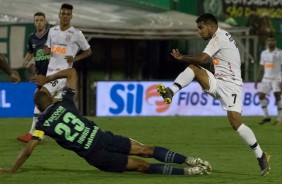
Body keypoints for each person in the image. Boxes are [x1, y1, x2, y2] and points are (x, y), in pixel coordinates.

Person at [0, 68, 211, 175]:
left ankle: (190, 171)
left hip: (96, 154)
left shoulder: (41, 125)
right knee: (145, 149)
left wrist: (12, 170)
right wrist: (47, 79)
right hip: (102, 138)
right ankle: (189, 160)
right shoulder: (64, 102)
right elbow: (72, 71)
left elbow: (28, 150)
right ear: (50, 97)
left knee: (142, 166)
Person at [157, 13, 270, 176]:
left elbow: (203, 58)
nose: (199, 31)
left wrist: (181, 57)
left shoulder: (219, 37)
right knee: (194, 69)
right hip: (218, 81)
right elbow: (211, 61)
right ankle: (171, 91)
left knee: (236, 123)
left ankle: (261, 155)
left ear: (211, 27)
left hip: (232, 86)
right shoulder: (220, 36)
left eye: (201, 28)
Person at [17, 3, 92, 143]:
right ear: (59, 14)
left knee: (41, 95)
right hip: (50, 73)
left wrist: (75, 58)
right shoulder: (53, 31)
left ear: (71, 16)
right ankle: (58, 131)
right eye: (63, 13)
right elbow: (49, 47)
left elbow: (88, 51)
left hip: (63, 74)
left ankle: (33, 133)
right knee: (54, 104)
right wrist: (46, 49)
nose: (65, 16)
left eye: (68, 14)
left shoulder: (76, 33)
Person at [17, 12, 51, 142]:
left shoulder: (51, 35)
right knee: (48, 103)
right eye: (36, 20)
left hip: (52, 74)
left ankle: (33, 133)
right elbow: (31, 52)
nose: (39, 23)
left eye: (41, 20)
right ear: (34, 22)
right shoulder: (31, 38)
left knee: (39, 99)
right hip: (40, 75)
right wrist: (26, 61)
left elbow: (59, 50)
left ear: (45, 22)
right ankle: (44, 132)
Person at [254, 35, 282, 125]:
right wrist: (256, 79)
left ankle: (280, 118)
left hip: (276, 78)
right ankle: (266, 116)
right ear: (267, 42)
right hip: (266, 78)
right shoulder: (264, 53)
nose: (271, 42)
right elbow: (262, 67)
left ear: (275, 42)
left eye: (272, 40)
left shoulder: (279, 53)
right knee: (261, 96)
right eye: (269, 41)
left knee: (277, 95)